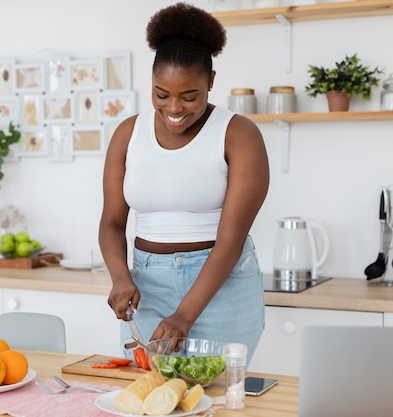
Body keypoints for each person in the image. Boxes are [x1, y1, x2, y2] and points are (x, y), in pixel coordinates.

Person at [98, 2, 269, 366]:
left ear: (211, 81)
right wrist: (120, 278)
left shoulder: (238, 135)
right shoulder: (129, 133)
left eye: (189, 96)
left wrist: (184, 315)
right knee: (152, 397)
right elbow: (112, 222)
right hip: (147, 285)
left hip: (223, 286)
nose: (174, 108)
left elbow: (231, 241)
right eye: (162, 94)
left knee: (220, 397)